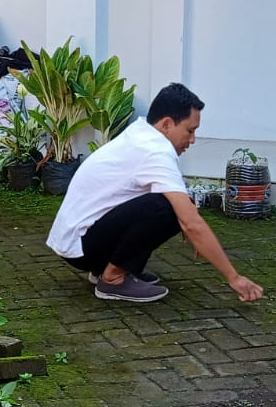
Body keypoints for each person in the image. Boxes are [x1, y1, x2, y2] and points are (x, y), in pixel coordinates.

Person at [45, 82, 264, 305]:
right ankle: (113, 279)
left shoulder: (141, 134)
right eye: (190, 130)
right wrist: (233, 277)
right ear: (167, 124)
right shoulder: (155, 151)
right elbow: (191, 221)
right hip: (81, 247)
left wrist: (187, 219)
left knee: (175, 204)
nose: (193, 139)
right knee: (166, 208)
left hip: (78, 242)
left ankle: (105, 268)